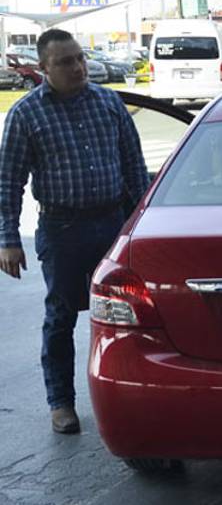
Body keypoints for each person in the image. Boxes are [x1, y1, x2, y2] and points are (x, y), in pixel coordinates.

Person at [0, 29, 150, 434]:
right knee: (61, 316)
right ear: (44, 68)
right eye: (65, 62)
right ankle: (61, 403)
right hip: (62, 228)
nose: (77, 68)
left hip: (113, 225)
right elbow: (8, 182)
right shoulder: (26, 114)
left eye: (79, 58)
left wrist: (142, 225)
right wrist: (9, 240)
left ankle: (133, 395)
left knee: (130, 315)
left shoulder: (108, 102)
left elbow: (135, 168)